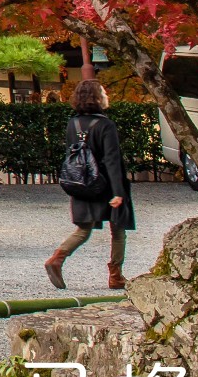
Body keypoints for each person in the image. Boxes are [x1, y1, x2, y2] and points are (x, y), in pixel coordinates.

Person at [45, 79, 135, 290]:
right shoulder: (106, 125)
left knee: (83, 229)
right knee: (118, 229)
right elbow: (112, 160)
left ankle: (57, 258)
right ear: (97, 97)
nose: (107, 96)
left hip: (82, 181)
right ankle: (116, 274)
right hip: (106, 184)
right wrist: (119, 192)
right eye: (103, 92)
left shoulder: (73, 123)